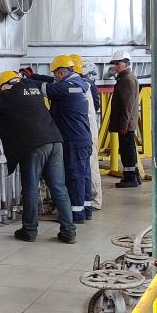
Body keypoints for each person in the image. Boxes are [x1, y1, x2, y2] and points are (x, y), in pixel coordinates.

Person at [0, 71, 76, 244]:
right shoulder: (32, 87)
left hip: (34, 145)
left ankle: (29, 230)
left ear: (6, 85)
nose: (1, 92)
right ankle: (69, 231)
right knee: (59, 188)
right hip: (55, 140)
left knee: (31, 188)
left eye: (1, 88)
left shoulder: (10, 95)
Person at [26, 55, 94, 223]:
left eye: (56, 73)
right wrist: (33, 76)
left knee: (74, 176)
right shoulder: (79, 83)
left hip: (73, 139)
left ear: (62, 72)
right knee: (84, 175)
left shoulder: (65, 89)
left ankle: (76, 215)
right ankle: (85, 209)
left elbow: (45, 88)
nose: (54, 76)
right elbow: (51, 81)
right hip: (82, 138)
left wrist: (20, 82)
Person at [70, 54, 103, 212]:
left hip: (86, 131)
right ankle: (90, 201)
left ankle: (95, 200)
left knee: (90, 166)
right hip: (88, 129)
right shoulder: (86, 83)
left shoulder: (82, 85)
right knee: (88, 167)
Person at [109, 50, 141, 188]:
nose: (115, 66)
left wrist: (123, 125)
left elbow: (127, 106)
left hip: (126, 124)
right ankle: (135, 176)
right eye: (114, 64)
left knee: (127, 151)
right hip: (126, 123)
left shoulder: (127, 80)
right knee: (129, 150)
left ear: (126, 63)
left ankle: (131, 178)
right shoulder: (125, 78)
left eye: (118, 63)